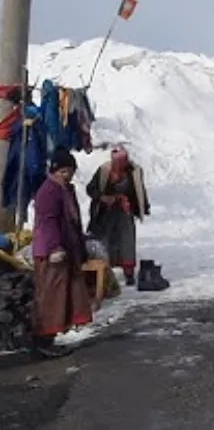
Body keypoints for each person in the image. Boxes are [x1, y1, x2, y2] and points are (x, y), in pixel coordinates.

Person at [30, 147, 92, 355]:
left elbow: (73, 221)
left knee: (62, 296)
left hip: (66, 249)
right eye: (63, 171)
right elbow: (47, 223)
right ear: (54, 171)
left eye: (70, 171)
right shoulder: (48, 191)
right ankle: (43, 340)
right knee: (51, 297)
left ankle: (51, 337)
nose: (67, 175)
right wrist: (53, 248)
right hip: (51, 253)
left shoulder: (65, 189)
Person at [86, 145, 150, 288]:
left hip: (125, 211)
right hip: (106, 212)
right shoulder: (104, 170)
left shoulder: (134, 171)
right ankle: (105, 272)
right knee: (106, 240)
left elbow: (139, 189)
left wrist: (143, 206)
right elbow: (90, 189)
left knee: (127, 241)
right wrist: (103, 197)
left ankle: (129, 273)